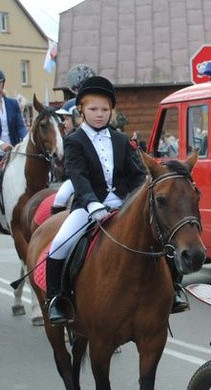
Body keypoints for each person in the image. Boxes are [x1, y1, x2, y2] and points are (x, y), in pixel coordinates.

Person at [44, 76, 187, 325]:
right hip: (89, 207)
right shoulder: (74, 141)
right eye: (93, 109)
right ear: (81, 111)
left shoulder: (121, 141)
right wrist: (92, 204)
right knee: (58, 245)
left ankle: (173, 289)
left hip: (125, 204)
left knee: (164, 237)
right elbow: (78, 177)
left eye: (104, 110)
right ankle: (57, 300)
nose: (99, 114)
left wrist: (140, 199)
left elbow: (135, 177)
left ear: (111, 111)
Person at [0, 69, 29, 159]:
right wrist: (1, 144)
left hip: (13, 149)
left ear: (3, 84)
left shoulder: (13, 103)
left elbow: (20, 126)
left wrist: (26, 139)